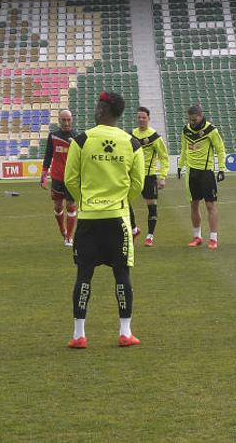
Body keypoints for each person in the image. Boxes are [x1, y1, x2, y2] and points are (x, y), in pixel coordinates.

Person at [63, 91, 144, 348]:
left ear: (103, 111)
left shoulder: (82, 140)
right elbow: (137, 184)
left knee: (84, 274)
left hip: (88, 219)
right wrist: (119, 201)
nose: (95, 109)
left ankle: (78, 335)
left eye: (98, 106)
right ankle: (125, 332)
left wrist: (87, 201)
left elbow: (70, 180)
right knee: (122, 274)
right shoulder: (132, 143)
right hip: (118, 219)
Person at [178, 105, 226, 249]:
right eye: (190, 120)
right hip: (192, 172)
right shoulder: (186, 130)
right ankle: (197, 236)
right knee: (194, 204)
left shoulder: (211, 130)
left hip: (206, 172)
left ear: (200, 115)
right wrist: (180, 165)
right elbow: (184, 149)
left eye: (194, 119)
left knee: (210, 205)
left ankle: (213, 238)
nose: (192, 122)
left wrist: (222, 168)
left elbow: (220, 149)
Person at [130, 106, 168, 247]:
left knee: (151, 206)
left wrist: (162, 176)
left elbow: (164, 157)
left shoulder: (154, 137)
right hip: (132, 175)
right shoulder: (130, 135)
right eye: (139, 117)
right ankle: (134, 229)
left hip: (149, 176)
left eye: (143, 117)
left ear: (148, 119)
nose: (141, 119)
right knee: (125, 203)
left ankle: (150, 236)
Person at [41, 109, 78, 247]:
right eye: (64, 120)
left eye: (68, 119)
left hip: (72, 178)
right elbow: (48, 155)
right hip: (57, 178)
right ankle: (62, 229)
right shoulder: (53, 136)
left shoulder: (77, 137)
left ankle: (69, 236)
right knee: (58, 206)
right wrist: (44, 175)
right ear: (59, 120)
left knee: (71, 205)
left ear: (72, 119)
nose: (66, 122)